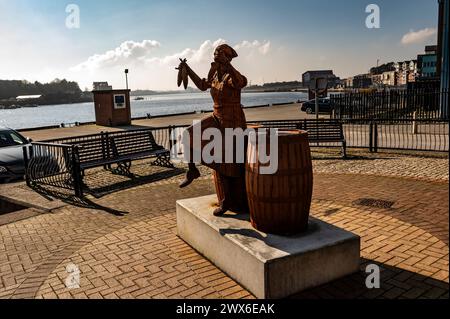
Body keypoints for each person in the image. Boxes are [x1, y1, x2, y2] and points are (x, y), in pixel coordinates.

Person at [178, 44, 248, 216]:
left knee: (224, 163)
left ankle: (227, 201)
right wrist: (187, 69)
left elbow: (240, 82)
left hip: (233, 121)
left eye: (220, 52)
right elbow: (202, 85)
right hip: (217, 116)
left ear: (227, 56)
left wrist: (228, 66)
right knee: (188, 134)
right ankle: (192, 170)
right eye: (215, 51)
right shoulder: (215, 74)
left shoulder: (230, 75)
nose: (215, 53)